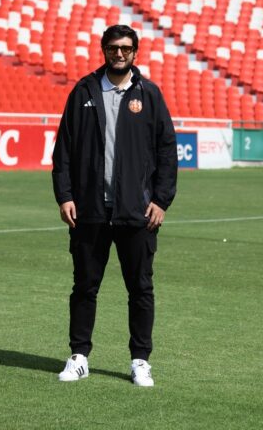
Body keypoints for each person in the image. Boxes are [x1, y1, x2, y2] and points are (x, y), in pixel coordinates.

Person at [51, 24, 178, 387]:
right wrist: (65, 195)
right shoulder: (83, 92)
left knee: (140, 289)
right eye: (112, 47)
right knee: (84, 286)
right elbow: (64, 150)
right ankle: (79, 356)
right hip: (90, 211)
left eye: (125, 48)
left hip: (136, 213)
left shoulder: (149, 95)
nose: (119, 53)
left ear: (136, 52)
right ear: (103, 50)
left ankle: (140, 361)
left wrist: (161, 200)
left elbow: (167, 152)